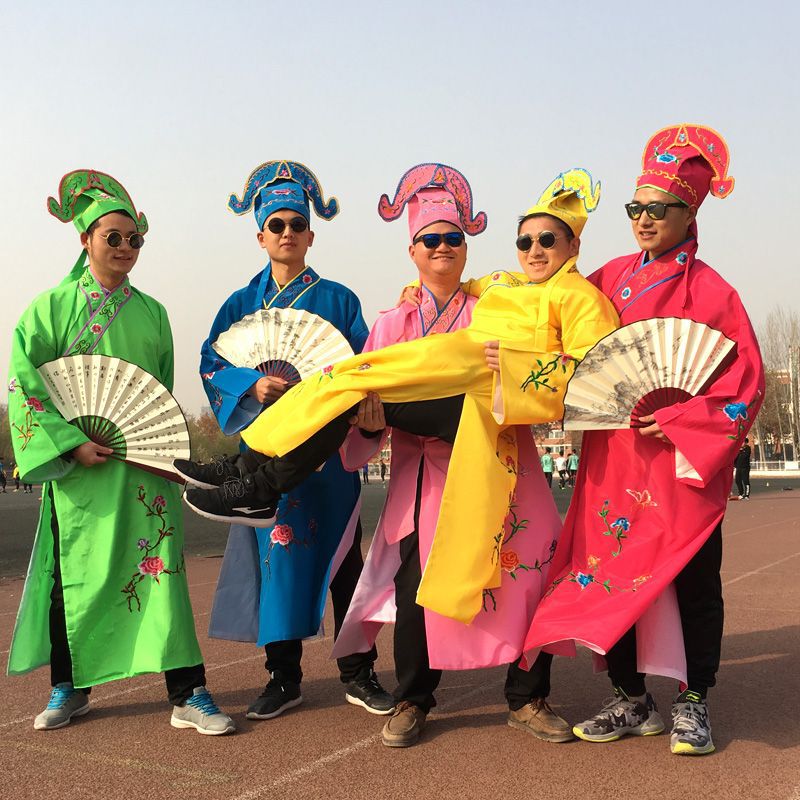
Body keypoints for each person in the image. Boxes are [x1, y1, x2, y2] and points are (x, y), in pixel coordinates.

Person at [184, 166, 619, 627]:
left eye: (549, 241)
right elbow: (458, 287)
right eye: (526, 242)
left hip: (482, 403)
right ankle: (251, 474)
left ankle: (257, 481)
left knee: (349, 383)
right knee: (346, 383)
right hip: (447, 400)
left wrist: (513, 367)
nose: (535, 250)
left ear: (574, 247)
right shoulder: (503, 287)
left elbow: (591, 375)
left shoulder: (579, 297)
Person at [522, 124, 764, 756]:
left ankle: (693, 701)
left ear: (691, 213)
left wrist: (684, 419)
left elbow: (745, 383)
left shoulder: (714, 294)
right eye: (636, 208)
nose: (644, 219)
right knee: (607, 573)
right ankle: (632, 697)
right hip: (612, 460)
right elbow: (545, 313)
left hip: (682, 465)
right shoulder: (605, 280)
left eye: (659, 209)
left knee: (692, 582)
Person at [332, 163, 570, 747]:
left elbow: (537, 377)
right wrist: (367, 423)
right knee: (419, 590)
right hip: (424, 480)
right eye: (430, 239)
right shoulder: (391, 321)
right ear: (412, 250)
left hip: (502, 469)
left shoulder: (502, 306)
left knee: (525, 577)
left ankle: (529, 697)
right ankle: (413, 698)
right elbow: (367, 393)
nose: (443, 248)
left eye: (453, 238)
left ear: (467, 247)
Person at [6, 170, 233, 734]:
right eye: (114, 237)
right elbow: (23, 386)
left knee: (162, 575)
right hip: (78, 474)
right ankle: (70, 687)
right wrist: (70, 443)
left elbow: (150, 396)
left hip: (140, 468)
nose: (126, 248)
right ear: (85, 240)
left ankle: (188, 691)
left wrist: (151, 446)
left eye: (135, 239)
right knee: (72, 579)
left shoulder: (152, 313)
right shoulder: (48, 309)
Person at [184, 160, 393, 721]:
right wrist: (253, 382)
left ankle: (359, 670)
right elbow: (211, 363)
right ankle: (283, 677)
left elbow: (358, 370)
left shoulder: (340, 300)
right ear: (260, 235)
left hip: (325, 461)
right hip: (266, 451)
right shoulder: (238, 306)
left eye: (296, 225)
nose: (286, 234)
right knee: (276, 561)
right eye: (276, 225)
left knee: (343, 559)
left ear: (310, 234)